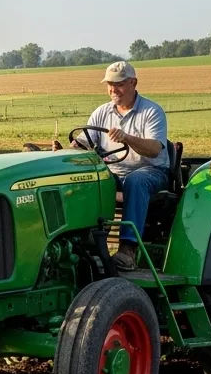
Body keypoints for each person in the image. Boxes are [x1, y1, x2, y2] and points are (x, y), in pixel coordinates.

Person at [71, 61, 168, 270]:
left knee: (136, 180)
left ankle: (128, 249)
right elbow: (84, 142)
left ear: (133, 83)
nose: (113, 89)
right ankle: (89, 248)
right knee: (88, 178)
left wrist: (127, 138)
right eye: (110, 84)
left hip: (150, 172)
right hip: (113, 173)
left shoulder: (151, 111)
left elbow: (154, 149)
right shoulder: (102, 112)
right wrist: (71, 148)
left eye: (119, 84)